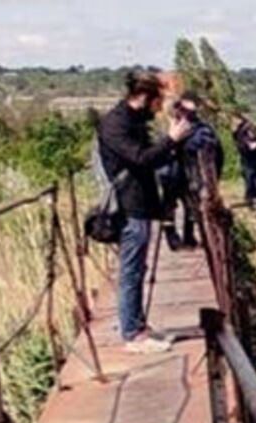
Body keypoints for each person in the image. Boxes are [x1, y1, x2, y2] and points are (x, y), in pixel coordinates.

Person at [96, 69, 190, 354]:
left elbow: (150, 156)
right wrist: (171, 139)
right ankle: (132, 334)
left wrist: (172, 143)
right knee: (132, 270)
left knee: (137, 268)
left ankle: (137, 324)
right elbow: (141, 158)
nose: (161, 107)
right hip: (128, 206)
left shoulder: (132, 120)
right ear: (145, 97)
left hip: (138, 204)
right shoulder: (116, 124)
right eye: (159, 100)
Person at [172, 91, 222, 250]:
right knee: (184, 208)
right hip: (178, 175)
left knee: (194, 208)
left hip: (193, 173)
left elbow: (211, 150)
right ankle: (181, 238)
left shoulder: (201, 130)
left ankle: (195, 238)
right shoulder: (173, 129)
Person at [233, 113, 256, 209]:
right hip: (248, 165)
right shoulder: (243, 140)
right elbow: (242, 150)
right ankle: (250, 202)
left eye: (255, 130)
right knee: (250, 184)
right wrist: (249, 147)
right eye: (251, 131)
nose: (253, 132)